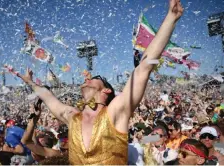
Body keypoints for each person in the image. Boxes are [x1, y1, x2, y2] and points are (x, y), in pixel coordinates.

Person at [16, 0, 184, 164]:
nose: (87, 78)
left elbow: (143, 68)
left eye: (95, 79)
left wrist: (171, 18)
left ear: (106, 91)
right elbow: (48, 96)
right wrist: (30, 82)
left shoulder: (116, 112)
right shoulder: (72, 117)